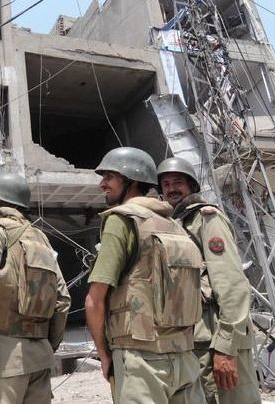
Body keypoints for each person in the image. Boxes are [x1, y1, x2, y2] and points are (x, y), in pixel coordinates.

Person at [85, 147, 206, 404]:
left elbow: (95, 300)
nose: (102, 184)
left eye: (109, 176)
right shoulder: (173, 224)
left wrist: (104, 356)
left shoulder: (122, 220)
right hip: (184, 357)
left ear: (132, 180)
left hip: (141, 361)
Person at [0, 173, 71, 404]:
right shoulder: (41, 240)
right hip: (39, 357)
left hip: (0, 359)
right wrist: (46, 344)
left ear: (2, 202)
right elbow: (63, 300)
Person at [158, 157, 261, 404]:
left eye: (178, 182)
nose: (171, 188)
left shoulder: (207, 219)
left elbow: (232, 285)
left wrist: (226, 346)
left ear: (192, 186)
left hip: (219, 339)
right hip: (199, 342)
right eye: (166, 184)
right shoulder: (178, 223)